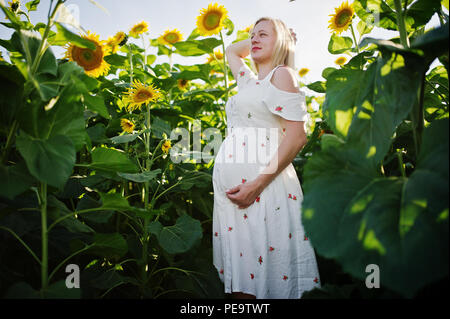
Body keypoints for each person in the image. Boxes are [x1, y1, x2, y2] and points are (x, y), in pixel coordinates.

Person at [212, 16, 321, 299]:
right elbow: (231, 52)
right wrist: (259, 39)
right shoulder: (248, 82)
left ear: (281, 43)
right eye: (251, 35)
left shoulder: (281, 75)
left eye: (263, 35)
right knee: (243, 286)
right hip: (238, 196)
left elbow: (297, 136)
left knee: (260, 283)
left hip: (263, 191)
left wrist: (257, 184)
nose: (254, 40)